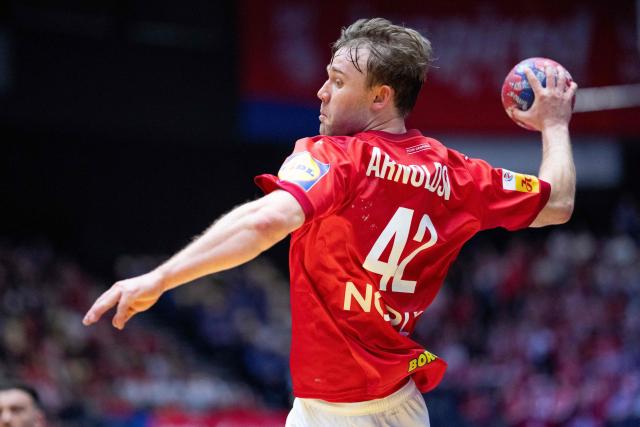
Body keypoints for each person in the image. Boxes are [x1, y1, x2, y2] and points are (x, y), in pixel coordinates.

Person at [83, 18, 577, 426]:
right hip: (397, 408)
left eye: (338, 82)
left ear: (380, 97)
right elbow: (557, 203)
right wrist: (554, 125)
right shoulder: (459, 174)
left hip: (340, 413)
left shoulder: (336, 158)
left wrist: (160, 277)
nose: (321, 92)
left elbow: (262, 223)